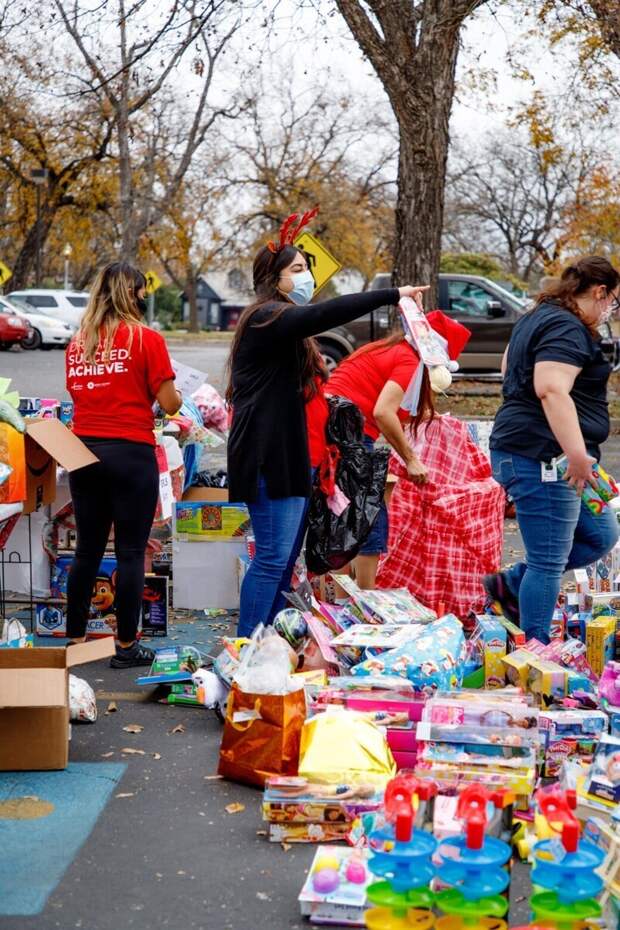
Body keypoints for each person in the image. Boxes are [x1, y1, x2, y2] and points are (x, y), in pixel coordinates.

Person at [226, 209, 429, 637]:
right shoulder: (267, 318)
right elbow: (325, 314)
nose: (305, 278)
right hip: (269, 461)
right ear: (274, 278)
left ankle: (267, 643)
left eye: (305, 269)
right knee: (271, 557)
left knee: (283, 560)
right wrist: (393, 294)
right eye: (297, 270)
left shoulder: (285, 328)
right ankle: (247, 648)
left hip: (297, 462)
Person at [486, 256, 620, 643]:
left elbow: (507, 364)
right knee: (548, 561)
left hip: (540, 449)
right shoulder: (566, 325)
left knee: (599, 534)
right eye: (613, 301)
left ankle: (509, 584)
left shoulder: (540, 314)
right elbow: (550, 387)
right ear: (600, 292)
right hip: (546, 456)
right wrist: (577, 455)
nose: (610, 310)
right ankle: (537, 653)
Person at [65, 261, 182, 667]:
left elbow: (80, 397)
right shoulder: (146, 339)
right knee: (131, 553)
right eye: (141, 291)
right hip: (130, 452)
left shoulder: (78, 342)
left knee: (87, 552)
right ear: (129, 294)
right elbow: (169, 403)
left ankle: (76, 641)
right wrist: (173, 396)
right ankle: (126, 647)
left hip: (83, 452)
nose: (145, 298)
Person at [309, 309, 470, 588]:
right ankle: (365, 596)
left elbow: (391, 407)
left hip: (332, 426)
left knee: (343, 512)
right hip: (347, 431)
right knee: (369, 513)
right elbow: (384, 412)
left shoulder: (390, 348)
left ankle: (338, 594)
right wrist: (411, 459)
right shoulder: (408, 360)